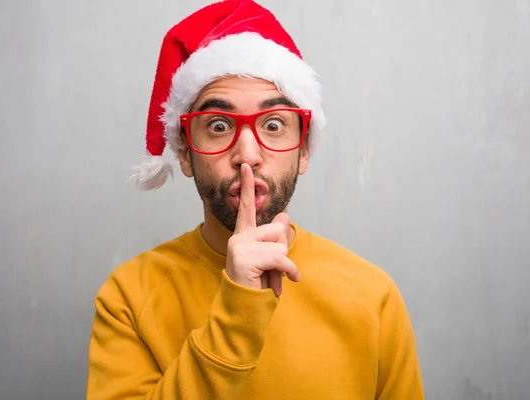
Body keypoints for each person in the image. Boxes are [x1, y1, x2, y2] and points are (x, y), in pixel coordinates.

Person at [85, 1, 425, 399]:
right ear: (183, 153)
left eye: (274, 124)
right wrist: (239, 310)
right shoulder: (129, 296)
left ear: (304, 151)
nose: (247, 154)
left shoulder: (372, 295)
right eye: (218, 125)